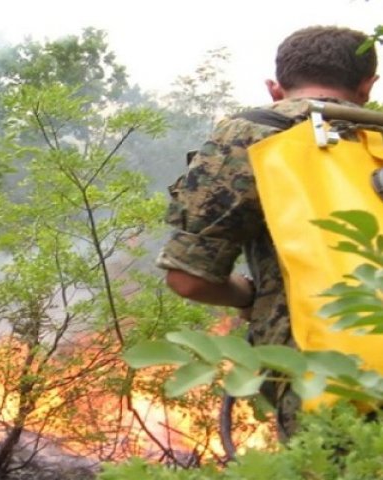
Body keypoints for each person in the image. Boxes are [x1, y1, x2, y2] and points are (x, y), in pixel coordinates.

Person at [155, 25, 379, 440]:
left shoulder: (252, 135)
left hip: (325, 384)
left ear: (276, 89)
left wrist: (249, 296)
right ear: (369, 85)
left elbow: (189, 278)